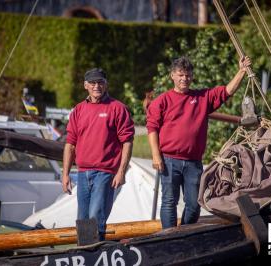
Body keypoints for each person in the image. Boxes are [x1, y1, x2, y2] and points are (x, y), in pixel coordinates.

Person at [146, 56, 251, 229]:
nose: (184, 79)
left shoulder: (202, 97)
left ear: (192, 76)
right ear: (172, 76)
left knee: (194, 205)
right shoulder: (162, 100)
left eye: (187, 75)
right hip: (168, 160)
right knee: (169, 202)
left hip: (193, 162)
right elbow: (152, 129)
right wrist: (156, 156)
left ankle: (185, 233)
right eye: (180, 75)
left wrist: (241, 71)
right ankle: (169, 236)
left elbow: (227, 91)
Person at [62, 68, 134, 239]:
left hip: (105, 173)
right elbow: (70, 145)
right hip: (82, 173)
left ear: (106, 84)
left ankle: (94, 256)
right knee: (82, 220)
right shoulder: (78, 110)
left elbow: (127, 142)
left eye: (100, 82)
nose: (97, 86)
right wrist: (65, 175)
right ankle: (84, 255)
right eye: (93, 83)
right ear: (85, 85)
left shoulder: (118, 108)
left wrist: (121, 172)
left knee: (96, 219)